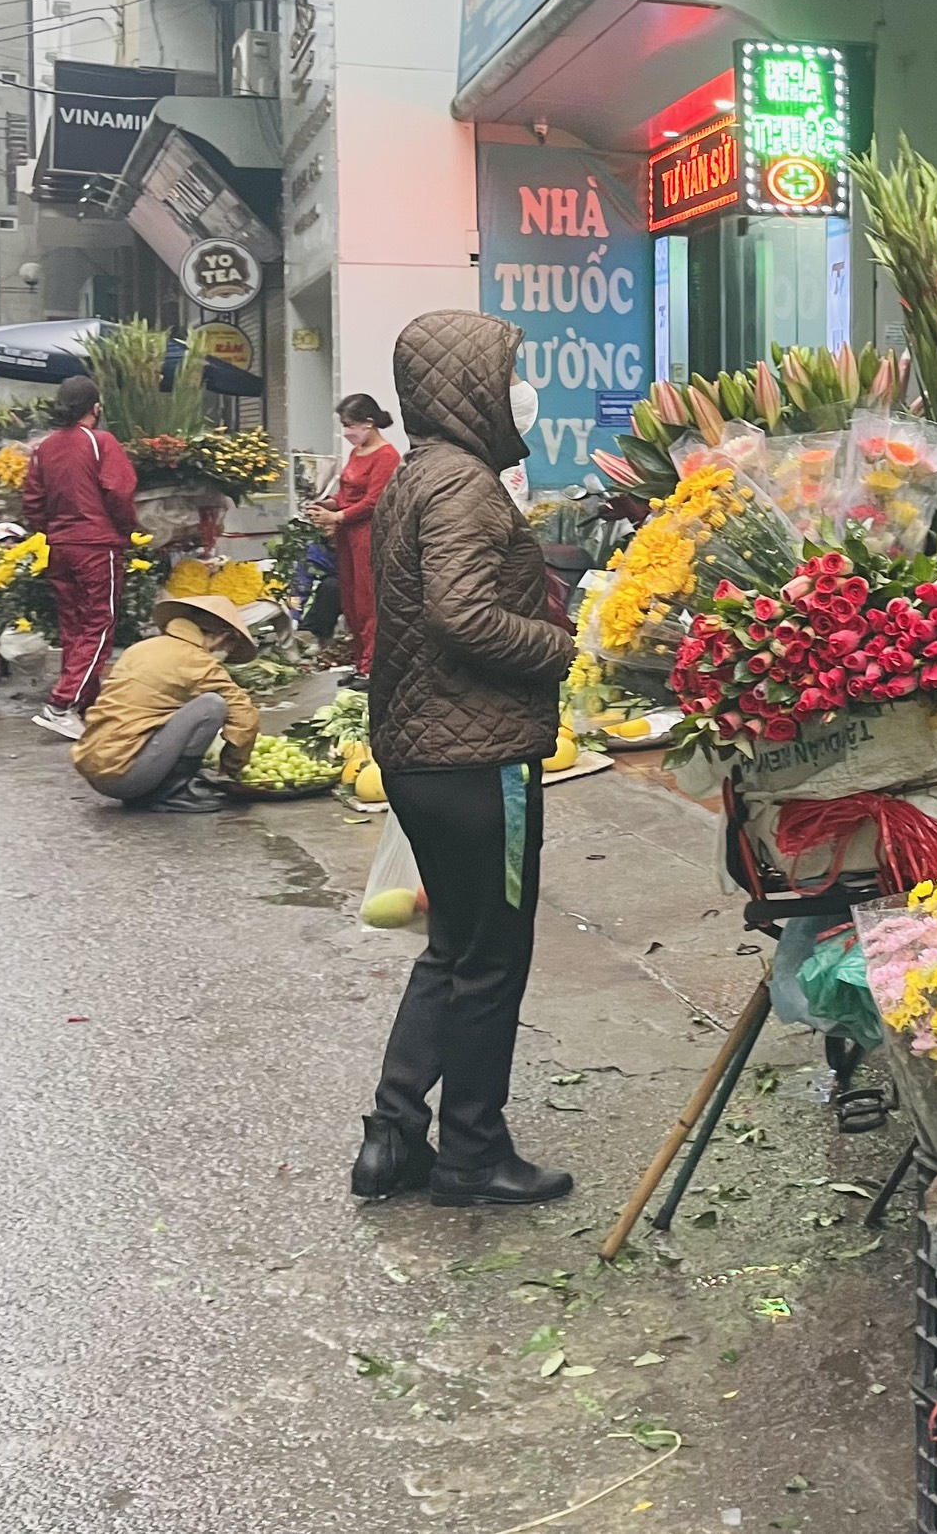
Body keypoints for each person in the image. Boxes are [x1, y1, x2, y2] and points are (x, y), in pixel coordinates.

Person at [353, 310, 577, 1210]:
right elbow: (463, 614)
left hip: (425, 754)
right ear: (472, 387)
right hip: (479, 760)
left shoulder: (418, 475)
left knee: (453, 947)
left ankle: (393, 1134)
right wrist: (561, 647)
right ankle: (474, 1156)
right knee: (491, 960)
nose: (522, 392)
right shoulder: (465, 486)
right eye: (510, 374)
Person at [22, 373, 138, 740]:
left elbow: (32, 501)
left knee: (73, 627)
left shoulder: (44, 448)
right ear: (96, 407)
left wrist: (53, 529)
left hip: (60, 546)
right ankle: (62, 704)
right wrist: (125, 531)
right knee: (99, 624)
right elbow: (119, 492)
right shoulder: (100, 442)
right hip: (96, 545)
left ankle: (85, 704)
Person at [71, 594, 261, 813]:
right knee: (212, 705)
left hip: (96, 766)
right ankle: (170, 794)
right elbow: (245, 717)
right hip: (126, 775)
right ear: (223, 637)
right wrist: (231, 770)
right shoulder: (198, 661)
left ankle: (150, 792)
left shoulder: (142, 648)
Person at [307, 392, 399, 684]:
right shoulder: (356, 452)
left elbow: (374, 501)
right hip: (347, 536)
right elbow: (346, 494)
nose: (346, 432)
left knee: (368, 600)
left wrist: (337, 517)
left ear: (368, 423)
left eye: (349, 425)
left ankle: (373, 666)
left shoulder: (387, 456)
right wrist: (327, 505)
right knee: (350, 601)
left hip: (368, 535)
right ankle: (360, 662)